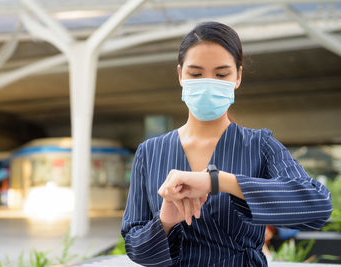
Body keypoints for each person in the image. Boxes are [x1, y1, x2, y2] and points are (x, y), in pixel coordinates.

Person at [120, 21, 332, 267]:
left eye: (221, 74)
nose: (208, 83)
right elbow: (136, 250)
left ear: (238, 77)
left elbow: (317, 206)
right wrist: (165, 221)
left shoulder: (260, 145)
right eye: (196, 74)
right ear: (180, 75)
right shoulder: (150, 152)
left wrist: (218, 181)